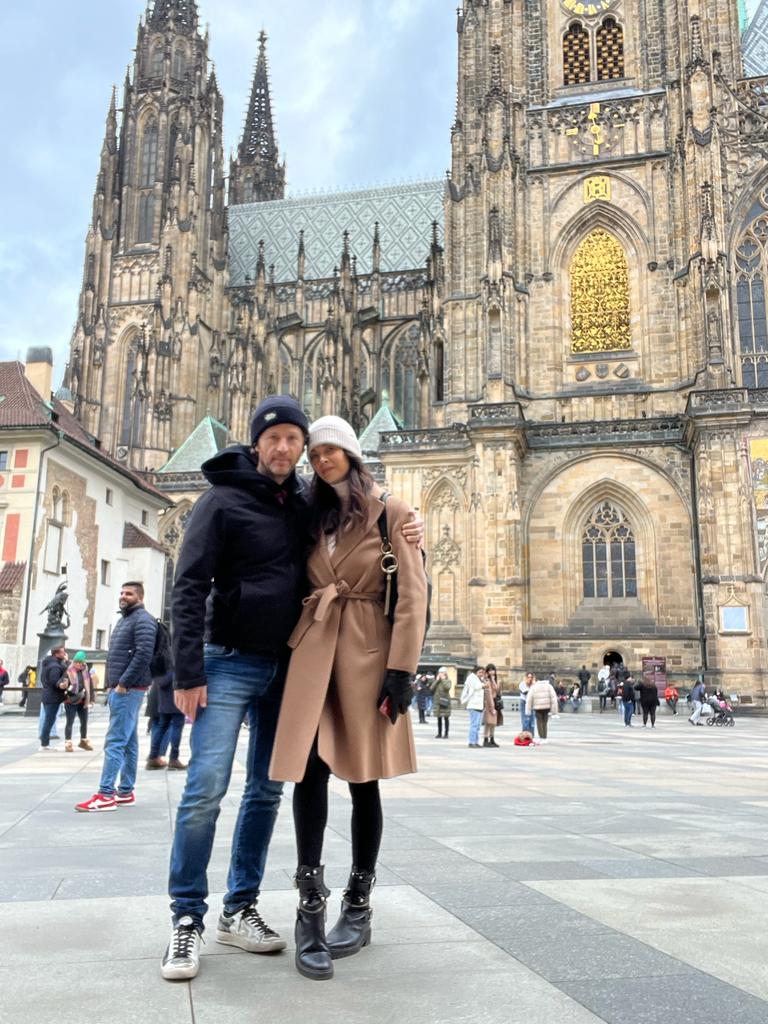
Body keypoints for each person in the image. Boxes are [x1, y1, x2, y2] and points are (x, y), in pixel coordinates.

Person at [159, 397, 422, 982]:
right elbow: (188, 584)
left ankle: (243, 907)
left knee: (268, 790)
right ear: (257, 442)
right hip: (231, 662)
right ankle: (188, 917)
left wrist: (410, 527)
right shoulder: (224, 500)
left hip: (294, 664)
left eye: (296, 440)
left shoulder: (307, 503)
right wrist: (186, 672)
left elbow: (396, 565)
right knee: (205, 789)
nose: (288, 449)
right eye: (274, 437)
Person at [268, 415, 428, 981]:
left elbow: (412, 597)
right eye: (315, 453)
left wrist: (401, 671)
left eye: (331, 450)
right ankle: (309, 907)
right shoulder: (309, 515)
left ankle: (358, 905)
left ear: (352, 454)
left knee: (364, 779)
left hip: (365, 656)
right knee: (308, 775)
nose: (321, 459)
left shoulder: (393, 512)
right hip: (315, 654)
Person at [74, 582, 157, 812]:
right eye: (121, 593)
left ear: (140, 597)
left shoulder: (143, 620)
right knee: (129, 742)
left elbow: (143, 654)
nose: (123, 596)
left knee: (115, 741)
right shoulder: (125, 619)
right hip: (123, 688)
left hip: (128, 689)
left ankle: (106, 794)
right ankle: (126, 792)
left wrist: (122, 683)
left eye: (128, 594)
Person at [146, 670, 187, 771]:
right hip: (177, 696)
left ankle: (153, 757)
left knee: (162, 727)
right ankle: (173, 759)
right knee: (177, 727)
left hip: (163, 698)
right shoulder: (175, 663)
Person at [63, 651, 95, 751]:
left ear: (83, 662)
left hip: (83, 700)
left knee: (84, 722)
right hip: (71, 700)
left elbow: (90, 686)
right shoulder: (68, 671)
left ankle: (83, 741)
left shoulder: (86, 672)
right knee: (70, 721)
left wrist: (92, 699)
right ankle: (68, 743)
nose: (78, 664)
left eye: (80, 662)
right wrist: (62, 685)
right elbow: (61, 681)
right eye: (76, 662)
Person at [39, 646, 69, 749]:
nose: (64, 654)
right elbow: (55, 681)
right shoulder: (55, 666)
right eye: (63, 652)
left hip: (48, 695)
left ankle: (44, 743)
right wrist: (60, 685)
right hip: (53, 697)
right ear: (56, 654)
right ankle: (44, 744)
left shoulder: (49, 663)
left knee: (48, 719)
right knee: (49, 720)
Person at [525, 675, 558, 743]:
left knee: (539, 722)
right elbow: (553, 698)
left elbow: (529, 699)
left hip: (538, 707)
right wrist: (554, 710)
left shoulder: (534, 687)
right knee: (545, 722)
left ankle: (541, 737)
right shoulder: (549, 686)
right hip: (547, 707)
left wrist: (528, 710)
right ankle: (545, 737)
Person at [461, 667, 487, 748]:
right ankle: (472, 742)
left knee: (477, 726)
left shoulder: (479, 679)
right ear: (476, 672)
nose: (481, 674)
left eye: (482, 672)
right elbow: (477, 687)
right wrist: (484, 684)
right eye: (480, 672)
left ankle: (475, 741)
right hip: (473, 705)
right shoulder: (471, 678)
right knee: (474, 725)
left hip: (479, 705)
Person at [483, 663, 502, 747]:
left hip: (495, 702)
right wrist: (491, 707)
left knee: (493, 723)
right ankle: (485, 739)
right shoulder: (486, 680)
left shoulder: (495, 680)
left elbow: (498, 691)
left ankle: (492, 739)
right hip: (489, 703)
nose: (491, 672)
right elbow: (488, 693)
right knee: (488, 722)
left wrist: (494, 680)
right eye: (490, 670)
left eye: (493, 670)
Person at [432, 668, 452, 739]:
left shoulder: (448, 681)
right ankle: (439, 733)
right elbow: (431, 688)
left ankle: (446, 734)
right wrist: (436, 680)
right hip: (438, 702)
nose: (440, 674)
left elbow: (447, 687)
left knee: (446, 718)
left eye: (442, 672)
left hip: (445, 701)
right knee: (439, 718)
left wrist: (443, 679)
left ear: (445, 673)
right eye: (439, 672)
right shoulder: (437, 681)